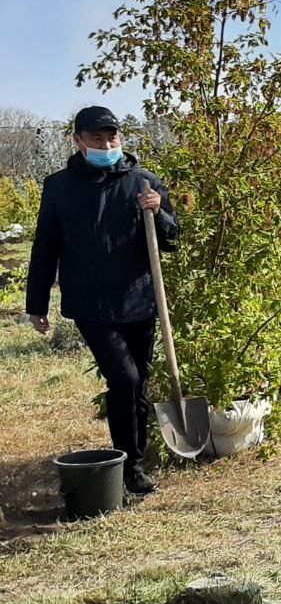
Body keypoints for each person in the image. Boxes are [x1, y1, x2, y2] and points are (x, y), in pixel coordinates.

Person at [25, 105, 179, 496]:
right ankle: (127, 465)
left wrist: (159, 213)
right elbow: (46, 246)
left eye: (112, 137)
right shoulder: (59, 186)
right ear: (78, 141)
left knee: (137, 384)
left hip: (140, 299)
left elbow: (172, 240)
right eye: (96, 138)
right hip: (90, 303)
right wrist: (36, 303)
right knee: (123, 378)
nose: (106, 144)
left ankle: (131, 469)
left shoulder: (144, 182)